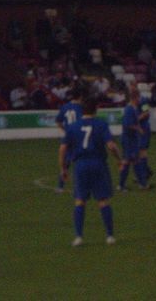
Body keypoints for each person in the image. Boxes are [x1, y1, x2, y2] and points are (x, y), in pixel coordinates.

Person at [58, 93, 122, 246]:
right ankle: (109, 236)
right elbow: (111, 145)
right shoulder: (101, 124)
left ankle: (79, 236)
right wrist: (119, 159)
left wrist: (63, 168)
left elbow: (62, 148)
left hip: (80, 165)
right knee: (103, 200)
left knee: (80, 201)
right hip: (98, 163)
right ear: (97, 109)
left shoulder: (73, 127)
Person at [54, 84, 86, 192]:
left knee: (66, 162)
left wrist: (65, 130)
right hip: (78, 137)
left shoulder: (65, 107)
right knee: (80, 161)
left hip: (68, 137)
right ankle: (80, 186)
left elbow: (58, 121)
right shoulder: (81, 108)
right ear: (81, 96)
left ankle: (60, 186)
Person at [117, 92, 149, 191]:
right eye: (138, 98)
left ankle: (142, 183)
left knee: (136, 160)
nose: (140, 99)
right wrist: (138, 128)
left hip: (133, 139)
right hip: (128, 140)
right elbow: (127, 124)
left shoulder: (135, 107)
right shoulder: (129, 109)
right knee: (127, 161)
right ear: (134, 98)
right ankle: (121, 185)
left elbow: (146, 112)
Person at [137, 89, 153, 180]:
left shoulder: (143, 100)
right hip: (139, 128)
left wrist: (136, 119)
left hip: (143, 128)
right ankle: (145, 170)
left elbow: (146, 113)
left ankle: (144, 172)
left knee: (142, 150)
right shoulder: (135, 102)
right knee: (139, 151)